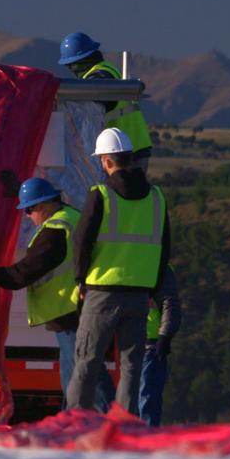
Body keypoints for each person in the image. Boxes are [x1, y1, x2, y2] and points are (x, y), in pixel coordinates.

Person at [0, 177, 114, 411]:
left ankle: (115, 423)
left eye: (28, 209)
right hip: (74, 310)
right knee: (73, 375)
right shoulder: (71, 216)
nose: (27, 215)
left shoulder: (55, 231)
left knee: (85, 372)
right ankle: (72, 424)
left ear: (43, 206)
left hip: (69, 309)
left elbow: (26, 271)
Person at [66, 128, 170, 415]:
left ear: (106, 161)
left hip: (102, 291)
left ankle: (77, 424)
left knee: (87, 361)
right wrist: (153, 289)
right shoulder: (157, 197)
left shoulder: (101, 195)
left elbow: (82, 241)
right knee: (131, 368)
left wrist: (80, 279)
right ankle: (125, 427)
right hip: (139, 295)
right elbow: (164, 248)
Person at [58, 32, 154, 172]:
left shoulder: (102, 75)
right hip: (128, 147)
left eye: (71, 65)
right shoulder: (105, 70)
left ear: (81, 61)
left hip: (127, 150)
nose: (70, 70)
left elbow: (97, 92)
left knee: (123, 192)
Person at [139, 265, 182, 427]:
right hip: (123, 343)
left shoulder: (158, 265)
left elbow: (170, 304)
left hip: (150, 344)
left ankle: (146, 440)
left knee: (147, 399)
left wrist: (164, 336)